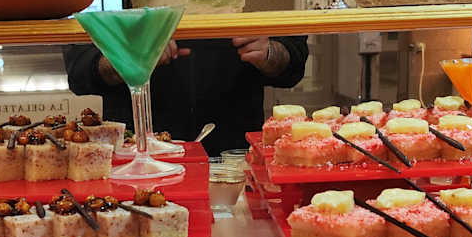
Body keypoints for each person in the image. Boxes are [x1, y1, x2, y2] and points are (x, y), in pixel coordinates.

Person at [63, 35, 309, 155]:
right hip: (139, 160)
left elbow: (292, 66)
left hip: (231, 161)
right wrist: (126, 58)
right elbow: (80, 74)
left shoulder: (238, 8)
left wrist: (269, 52)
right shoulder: (119, 19)